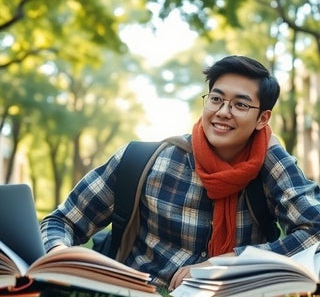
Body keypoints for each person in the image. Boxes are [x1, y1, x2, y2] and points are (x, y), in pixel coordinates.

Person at [40, 55, 320, 292]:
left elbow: (315, 230)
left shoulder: (270, 166)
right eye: (216, 99)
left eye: (240, 104)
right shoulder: (145, 160)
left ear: (263, 119)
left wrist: (228, 263)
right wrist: (59, 255)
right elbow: (63, 220)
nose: (223, 111)